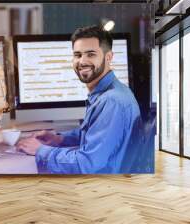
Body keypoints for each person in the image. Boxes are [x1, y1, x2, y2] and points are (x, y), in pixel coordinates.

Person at [16, 25, 153, 174]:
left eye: (91, 54)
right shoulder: (110, 92)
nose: (82, 61)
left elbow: (86, 164)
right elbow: (97, 135)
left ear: (108, 57)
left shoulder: (111, 101)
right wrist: (58, 140)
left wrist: (41, 151)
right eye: (77, 55)